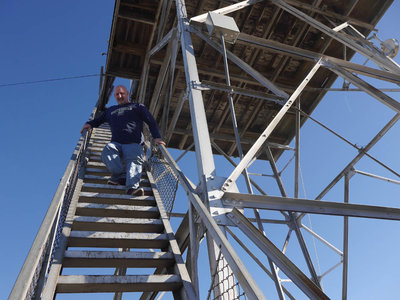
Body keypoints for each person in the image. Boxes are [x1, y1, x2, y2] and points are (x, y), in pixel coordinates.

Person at [81, 85, 165, 196]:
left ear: (127, 93)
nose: (119, 96)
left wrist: (157, 137)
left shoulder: (137, 106)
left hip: (134, 143)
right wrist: (89, 124)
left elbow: (151, 122)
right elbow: (97, 121)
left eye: (122, 93)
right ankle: (120, 176)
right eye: (117, 94)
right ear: (115, 96)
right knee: (107, 150)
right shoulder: (110, 110)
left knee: (134, 159)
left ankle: (132, 188)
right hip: (116, 143)